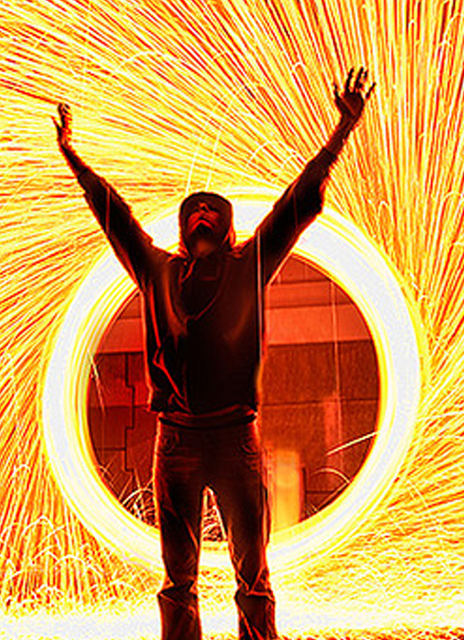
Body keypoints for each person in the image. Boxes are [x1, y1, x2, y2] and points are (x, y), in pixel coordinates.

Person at [54, 67, 375, 640]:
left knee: (252, 574)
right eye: (194, 211)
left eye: (213, 211)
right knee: (178, 578)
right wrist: (72, 158)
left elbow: (296, 205)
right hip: (174, 441)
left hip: (236, 440)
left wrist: (341, 132)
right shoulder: (155, 270)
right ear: (182, 228)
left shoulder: (250, 264)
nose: (202, 214)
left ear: (227, 228)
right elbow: (116, 217)